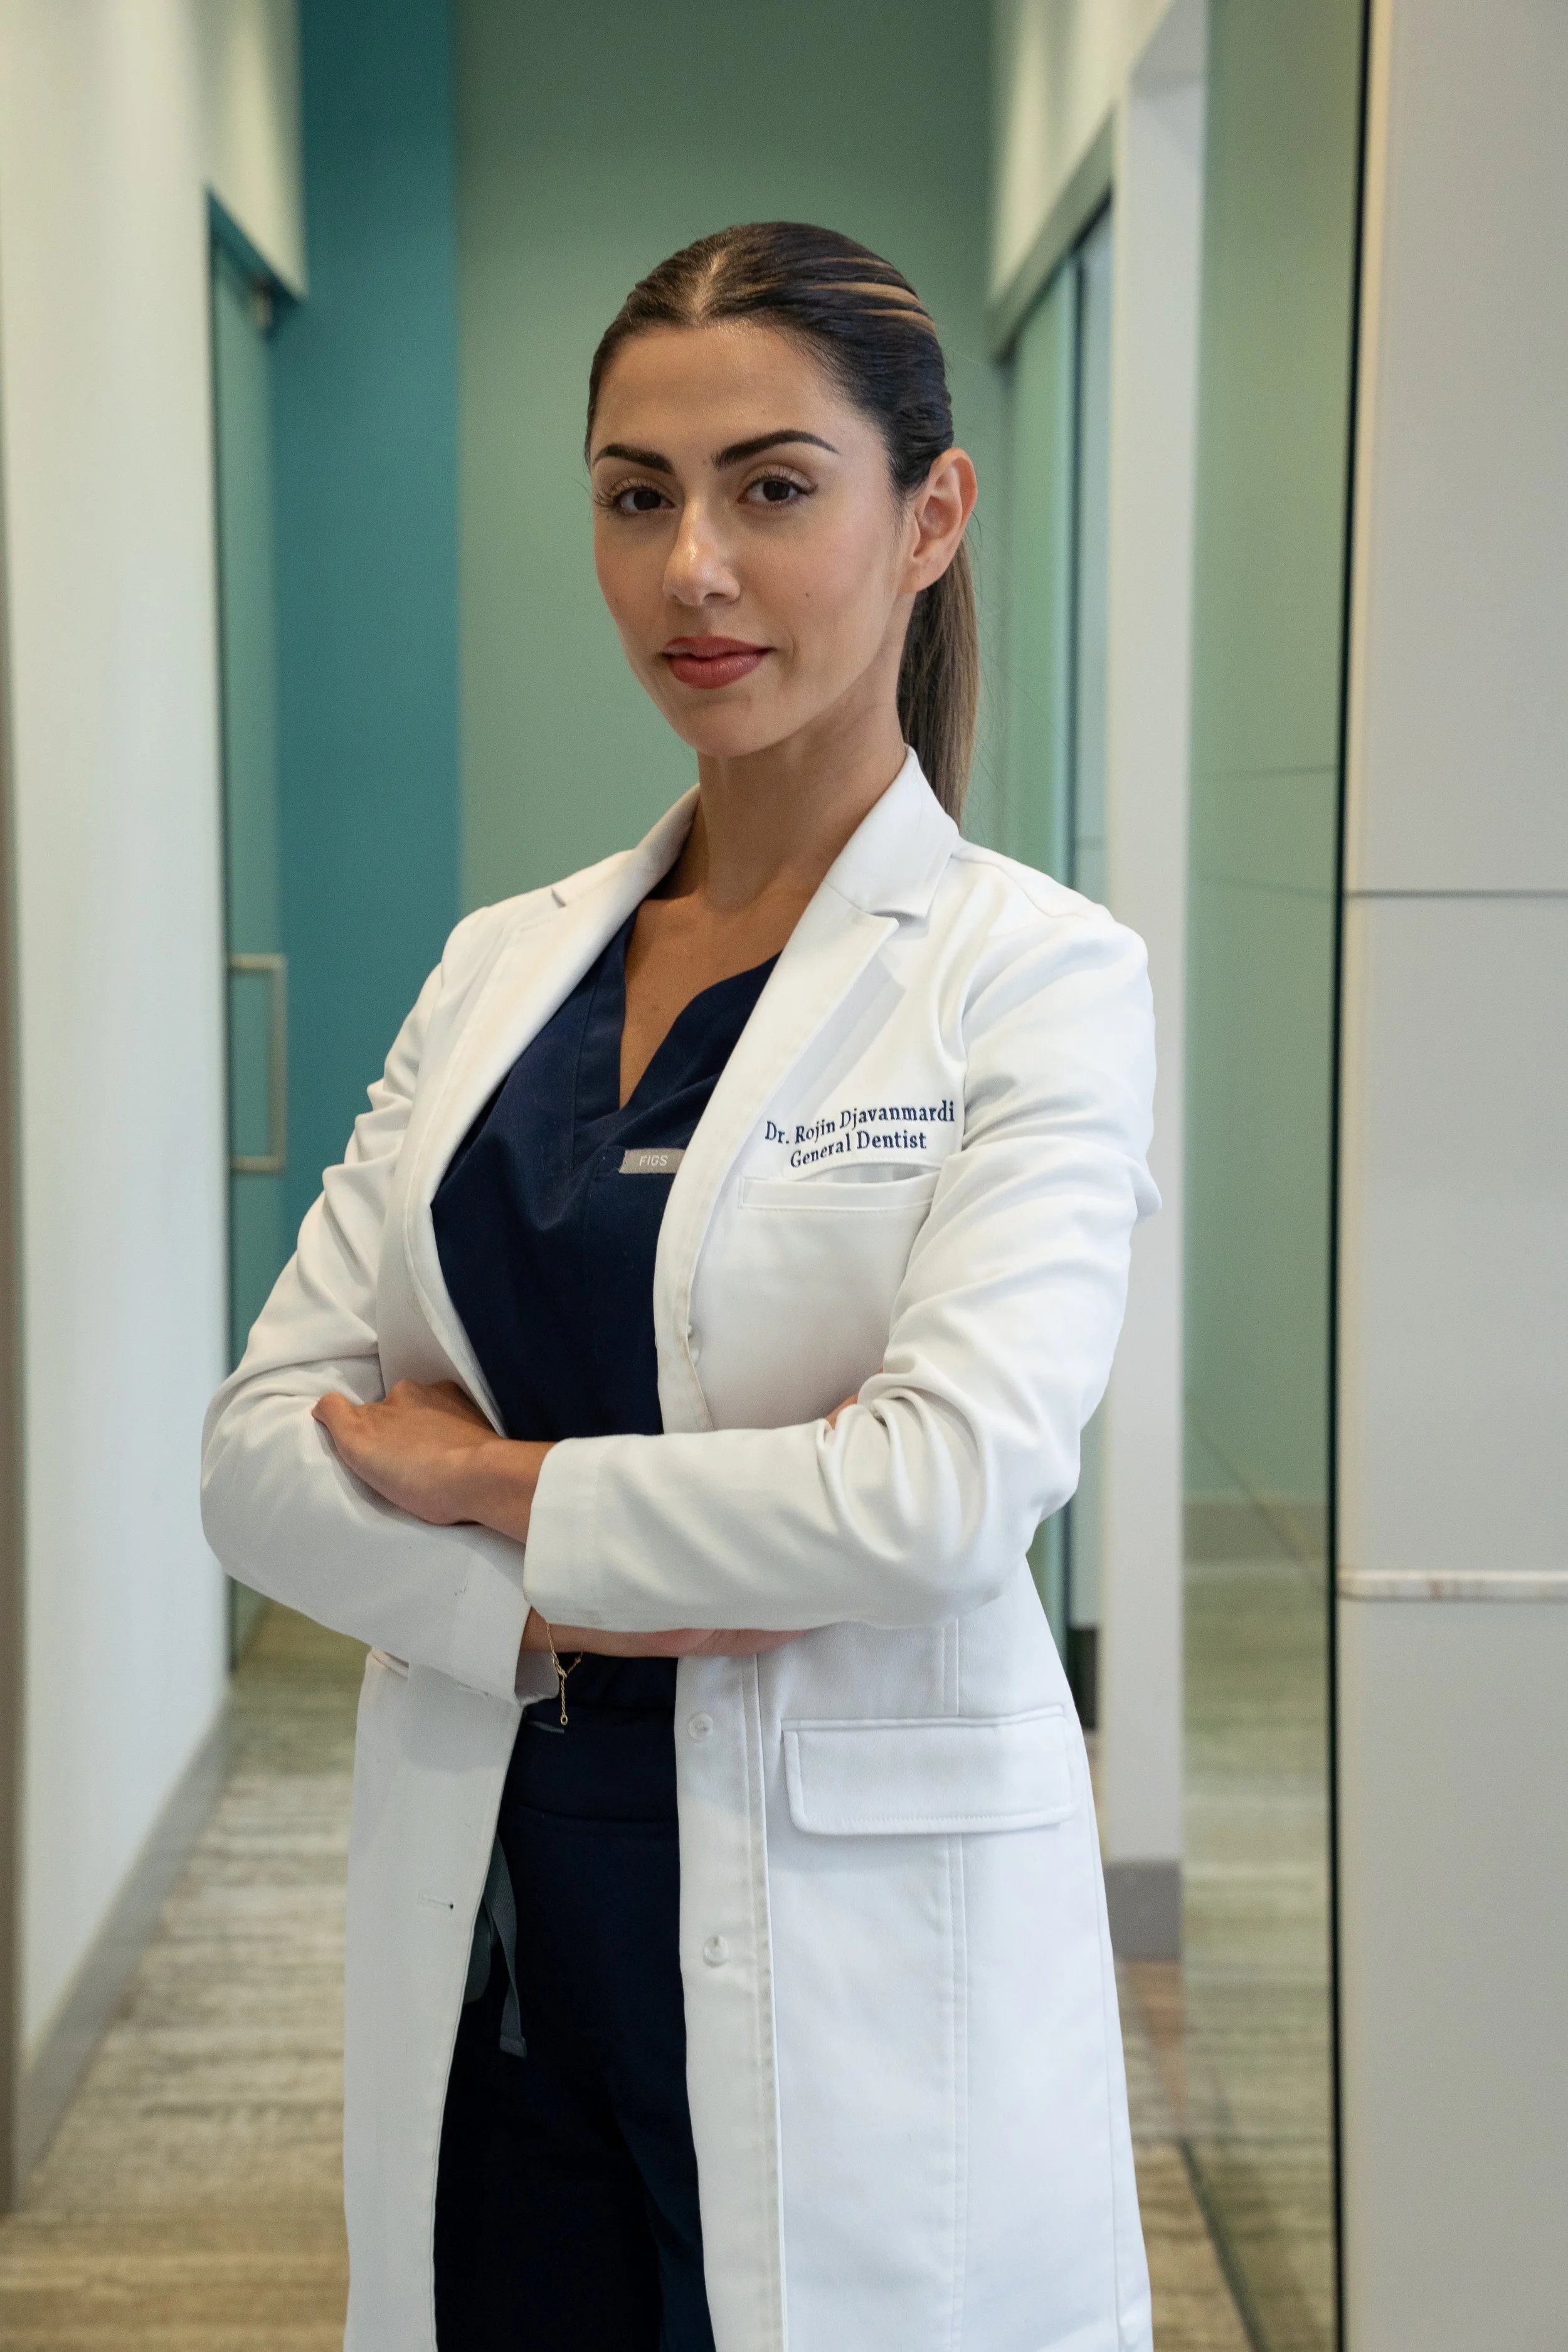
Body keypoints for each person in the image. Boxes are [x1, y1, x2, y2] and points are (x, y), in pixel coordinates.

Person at [201, 220, 1159, 2352]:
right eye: (637, 497)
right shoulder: (498, 968)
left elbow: (933, 1496)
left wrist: (481, 1483)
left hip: (854, 1964)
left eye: (770, 488)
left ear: (929, 515)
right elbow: (261, 1457)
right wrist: (570, 1576)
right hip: (511, 1939)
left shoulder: (1033, 977)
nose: (691, 569)